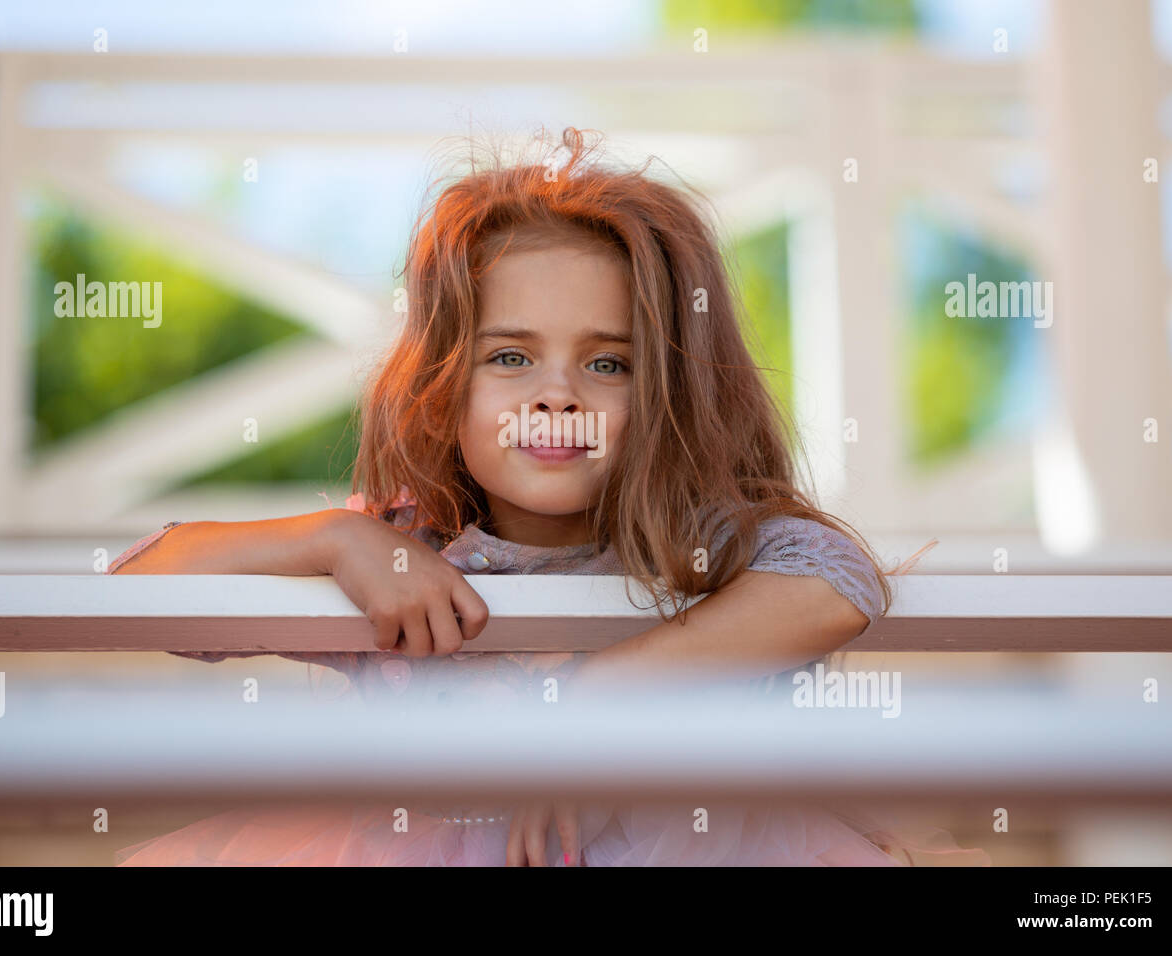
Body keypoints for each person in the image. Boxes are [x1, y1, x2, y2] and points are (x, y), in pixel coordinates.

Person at [108, 127, 989, 867]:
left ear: (672, 393)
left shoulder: (699, 543)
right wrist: (340, 541)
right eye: (510, 357)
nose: (556, 397)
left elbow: (835, 577)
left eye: (608, 363)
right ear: (444, 385)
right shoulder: (415, 550)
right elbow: (140, 587)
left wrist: (581, 711)